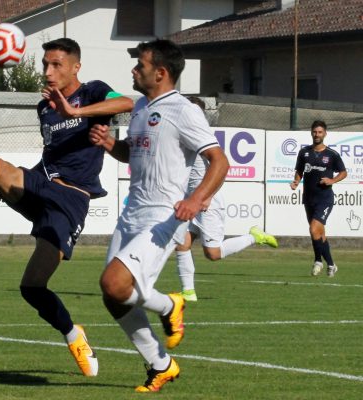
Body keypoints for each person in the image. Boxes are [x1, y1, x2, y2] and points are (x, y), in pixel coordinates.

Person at [0, 38, 134, 376]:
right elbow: (49, 158)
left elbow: (127, 102)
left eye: (56, 65)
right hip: (44, 185)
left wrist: (75, 111)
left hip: (70, 201)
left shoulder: (95, 91)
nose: (49, 72)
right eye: (45, 65)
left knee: (33, 286)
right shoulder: (44, 108)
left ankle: (73, 335)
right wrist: (12, 185)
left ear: (75, 68)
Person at [89, 39, 229, 392]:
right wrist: (111, 146)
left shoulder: (184, 110)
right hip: (131, 213)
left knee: (114, 284)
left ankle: (168, 305)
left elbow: (219, 161)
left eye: (141, 65)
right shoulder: (139, 107)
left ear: (161, 73)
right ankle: (160, 364)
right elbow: (133, 153)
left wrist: (196, 200)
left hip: (162, 216)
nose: (134, 70)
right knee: (113, 296)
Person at [174, 96, 278, 302]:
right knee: (181, 244)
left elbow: (220, 168)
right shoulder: (183, 134)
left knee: (213, 253)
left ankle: (254, 236)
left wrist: (208, 196)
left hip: (206, 202)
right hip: (191, 199)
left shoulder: (203, 138)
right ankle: (188, 292)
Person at [290, 120, 347, 277]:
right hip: (308, 198)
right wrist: (296, 181)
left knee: (314, 228)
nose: (317, 134)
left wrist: (332, 180)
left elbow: (343, 172)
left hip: (325, 198)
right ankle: (331, 264)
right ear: (311, 133)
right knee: (318, 233)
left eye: (320, 132)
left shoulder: (331, 154)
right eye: (315, 132)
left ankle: (317, 261)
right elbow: (299, 171)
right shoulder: (304, 153)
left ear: (325, 134)